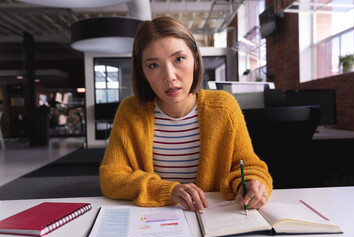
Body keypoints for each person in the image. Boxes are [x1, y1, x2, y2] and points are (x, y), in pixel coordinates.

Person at [100, 16, 273, 211]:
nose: (169, 76)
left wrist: (251, 183)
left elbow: (250, 167)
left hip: (215, 218)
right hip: (156, 219)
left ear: (195, 60)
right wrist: (167, 190)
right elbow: (111, 177)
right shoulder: (131, 111)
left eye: (179, 59)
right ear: (142, 72)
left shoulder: (224, 107)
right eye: (153, 65)